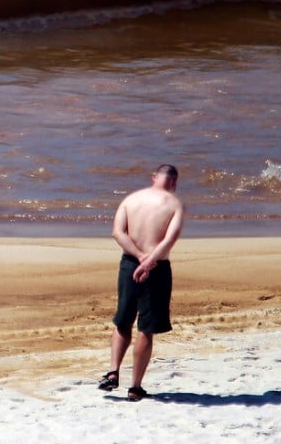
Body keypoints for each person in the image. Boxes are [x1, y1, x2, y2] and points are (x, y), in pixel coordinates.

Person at [98, 164, 184, 402]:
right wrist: (148, 262)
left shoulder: (131, 199)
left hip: (129, 264)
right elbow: (169, 240)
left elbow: (117, 232)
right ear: (174, 183)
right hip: (156, 268)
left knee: (122, 320)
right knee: (146, 329)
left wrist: (138, 257)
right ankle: (135, 387)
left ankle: (113, 372)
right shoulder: (174, 204)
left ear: (154, 177)